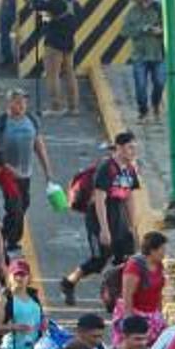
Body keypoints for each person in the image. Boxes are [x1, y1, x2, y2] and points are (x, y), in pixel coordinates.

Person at [60, 131, 140, 305]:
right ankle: (69, 283)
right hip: (99, 216)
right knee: (99, 260)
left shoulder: (130, 170)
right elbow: (100, 200)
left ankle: (116, 295)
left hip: (119, 215)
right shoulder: (106, 169)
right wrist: (104, 229)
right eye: (129, 148)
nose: (133, 151)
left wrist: (132, 226)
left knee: (127, 257)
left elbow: (129, 197)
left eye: (134, 148)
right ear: (118, 148)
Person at [0, 89, 53, 250]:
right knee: (15, 206)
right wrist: (7, 168)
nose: (22, 105)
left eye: (24, 101)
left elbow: (39, 145)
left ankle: (3, 234)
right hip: (5, 174)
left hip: (25, 173)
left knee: (23, 204)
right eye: (17, 101)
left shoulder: (31, 120)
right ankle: (11, 241)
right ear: (8, 103)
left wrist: (47, 170)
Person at [113, 232, 169, 343]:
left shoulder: (158, 265)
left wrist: (160, 314)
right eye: (162, 249)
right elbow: (127, 295)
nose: (164, 253)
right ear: (152, 250)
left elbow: (158, 292)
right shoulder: (134, 266)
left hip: (152, 314)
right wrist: (130, 322)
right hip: (135, 314)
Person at [37, 0, 82, 115]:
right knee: (70, 74)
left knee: (53, 75)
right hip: (69, 43)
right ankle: (73, 107)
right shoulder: (77, 5)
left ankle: (55, 106)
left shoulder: (56, 3)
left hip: (53, 44)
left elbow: (36, 6)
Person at [122, 0, 165, 121]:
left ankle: (156, 104)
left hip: (157, 53)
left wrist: (161, 31)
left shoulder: (158, 9)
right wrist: (142, 29)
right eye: (141, 1)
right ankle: (143, 110)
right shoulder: (132, 12)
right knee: (140, 85)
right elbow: (124, 31)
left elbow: (169, 26)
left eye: (147, 0)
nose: (145, 3)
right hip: (139, 55)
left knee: (159, 82)